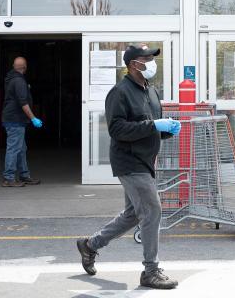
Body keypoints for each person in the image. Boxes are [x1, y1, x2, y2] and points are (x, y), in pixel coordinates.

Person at [76, 45, 181, 290]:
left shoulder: (151, 91)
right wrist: (154, 125)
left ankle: (90, 245)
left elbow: (150, 128)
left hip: (146, 160)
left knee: (134, 214)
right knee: (153, 209)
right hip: (129, 161)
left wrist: (166, 130)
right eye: (147, 59)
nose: (152, 63)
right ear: (134, 64)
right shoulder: (119, 92)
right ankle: (151, 271)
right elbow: (118, 130)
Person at [1, 57, 42, 187]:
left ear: (14, 66)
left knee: (21, 148)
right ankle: (9, 178)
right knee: (14, 148)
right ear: (25, 67)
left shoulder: (12, 79)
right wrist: (33, 118)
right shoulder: (19, 81)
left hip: (13, 118)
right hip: (15, 119)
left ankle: (24, 175)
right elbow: (23, 102)